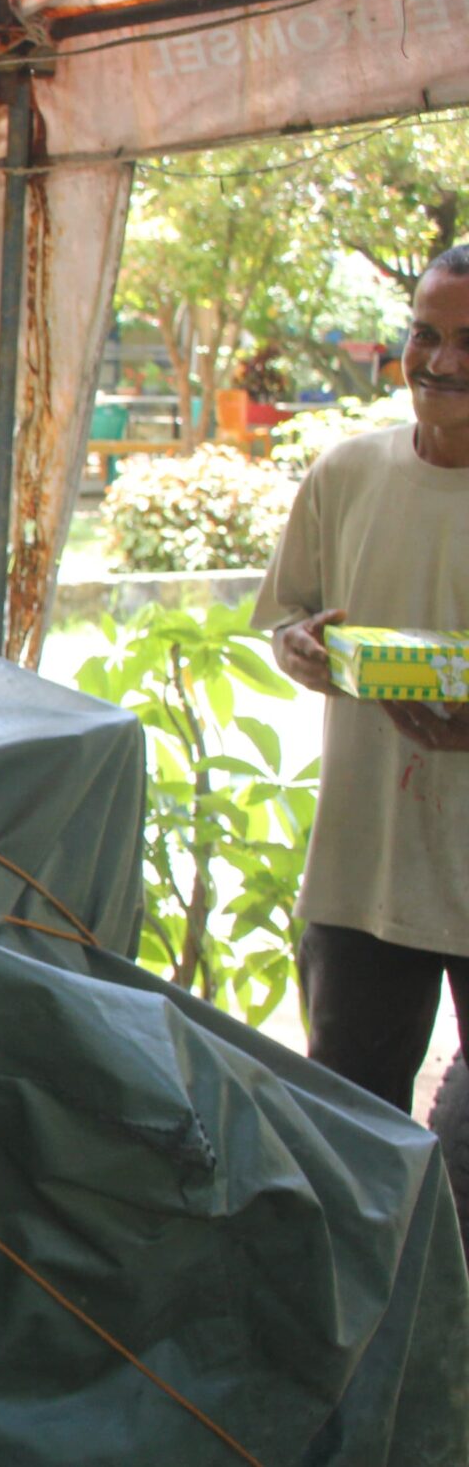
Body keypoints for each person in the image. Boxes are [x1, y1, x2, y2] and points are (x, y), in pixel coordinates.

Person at [261, 245, 469, 1118]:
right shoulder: (346, 475)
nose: (444, 362)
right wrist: (300, 648)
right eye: (427, 334)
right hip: (363, 873)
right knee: (352, 1139)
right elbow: (289, 621)